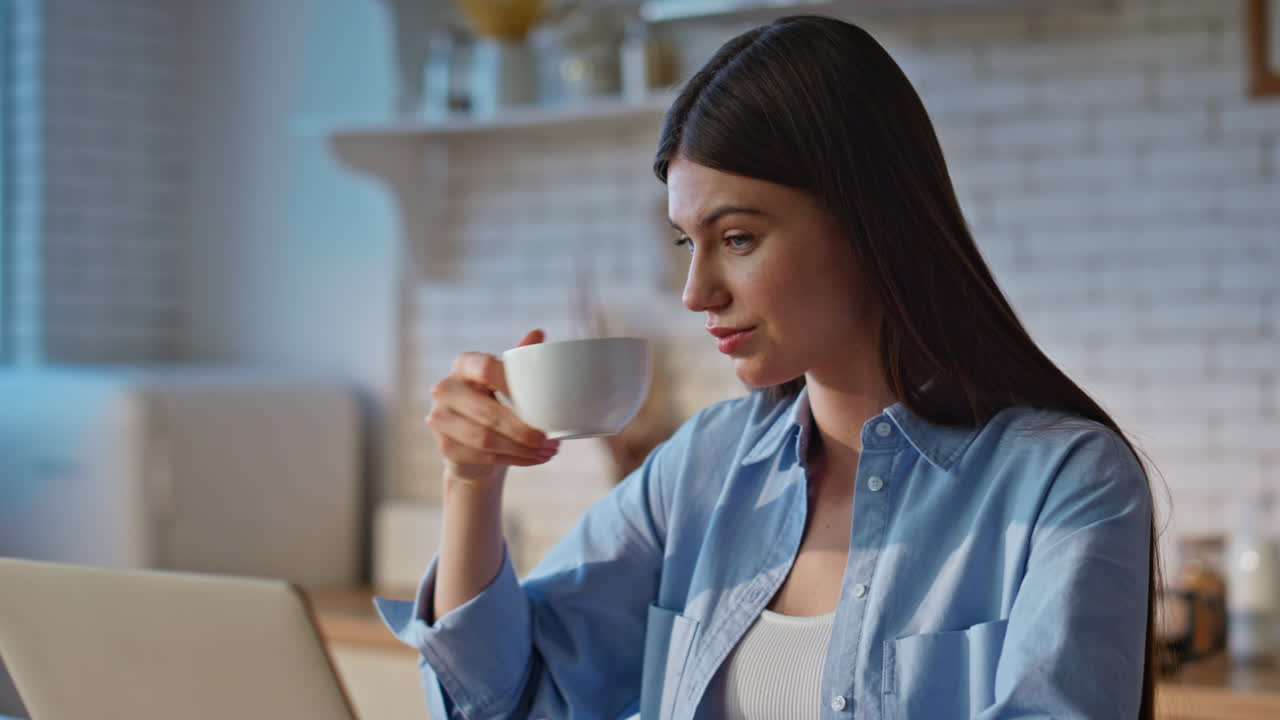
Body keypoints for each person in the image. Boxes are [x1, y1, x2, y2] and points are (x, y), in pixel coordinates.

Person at [375, 15, 1159, 720]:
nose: (696, 291)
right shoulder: (702, 470)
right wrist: (471, 485)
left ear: (866, 222)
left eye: (739, 238)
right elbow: (505, 702)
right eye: (689, 242)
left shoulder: (1067, 485)